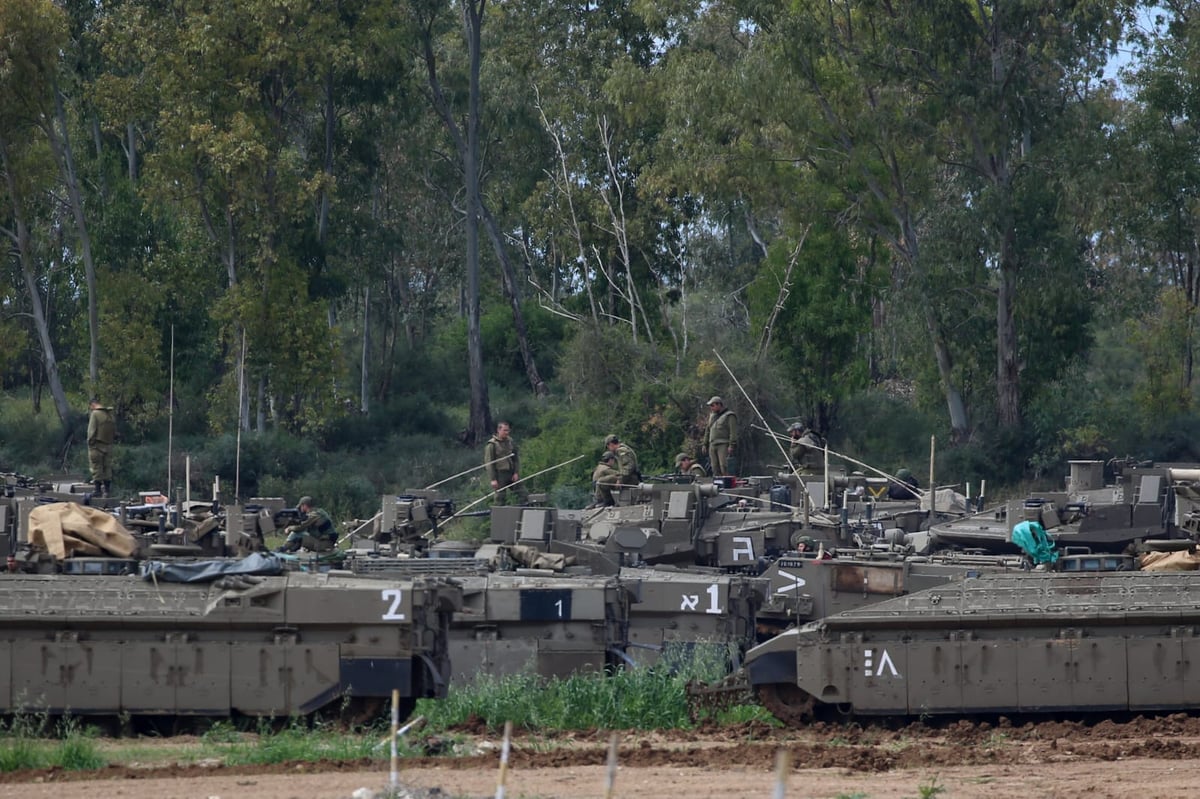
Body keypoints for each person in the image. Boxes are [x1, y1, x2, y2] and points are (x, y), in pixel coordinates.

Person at [484, 421, 528, 505]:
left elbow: (515, 458)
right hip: (500, 474)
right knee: (500, 498)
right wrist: (493, 479)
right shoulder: (492, 444)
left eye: (508, 430)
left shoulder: (510, 442)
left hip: (511, 472)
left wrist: (516, 472)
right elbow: (489, 463)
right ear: (498, 430)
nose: (506, 433)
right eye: (504, 430)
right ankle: (499, 515)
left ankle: (524, 511)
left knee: (523, 493)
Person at [701, 396, 738, 476]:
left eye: (713, 405)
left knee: (724, 466)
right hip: (712, 444)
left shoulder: (729, 415)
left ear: (719, 405)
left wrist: (731, 445)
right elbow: (708, 430)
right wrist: (704, 444)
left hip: (723, 444)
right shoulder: (712, 416)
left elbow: (733, 431)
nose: (711, 408)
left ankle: (728, 484)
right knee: (714, 467)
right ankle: (717, 484)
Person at [87, 397, 116, 498]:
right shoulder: (109, 415)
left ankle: (97, 490)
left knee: (96, 467)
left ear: (92, 405)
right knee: (107, 468)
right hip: (108, 446)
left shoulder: (95, 414)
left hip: (97, 446)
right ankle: (107, 491)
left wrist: (90, 443)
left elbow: (91, 431)